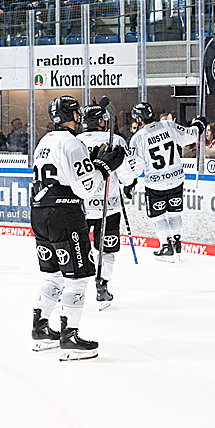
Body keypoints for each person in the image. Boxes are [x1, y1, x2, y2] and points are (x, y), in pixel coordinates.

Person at [29, 96, 124, 361]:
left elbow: (63, 173)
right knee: (78, 276)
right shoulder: (72, 143)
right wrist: (104, 167)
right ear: (74, 116)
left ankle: (40, 329)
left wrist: (92, 163)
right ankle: (69, 337)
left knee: (54, 275)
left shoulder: (44, 142)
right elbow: (85, 187)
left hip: (40, 213)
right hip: (65, 214)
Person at [125, 101, 206, 261]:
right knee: (174, 212)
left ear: (140, 120)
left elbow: (137, 168)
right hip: (176, 179)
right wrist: (199, 125)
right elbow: (188, 137)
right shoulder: (168, 126)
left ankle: (165, 245)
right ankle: (177, 241)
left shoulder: (138, 138)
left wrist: (129, 183)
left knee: (158, 216)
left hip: (155, 184)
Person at [75, 104, 137, 308]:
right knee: (106, 250)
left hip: (81, 205)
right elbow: (127, 173)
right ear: (100, 122)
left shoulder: (76, 142)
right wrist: (129, 184)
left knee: (78, 246)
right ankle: (102, 286)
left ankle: (70, 287)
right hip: (109, 206)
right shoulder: (116, 140)